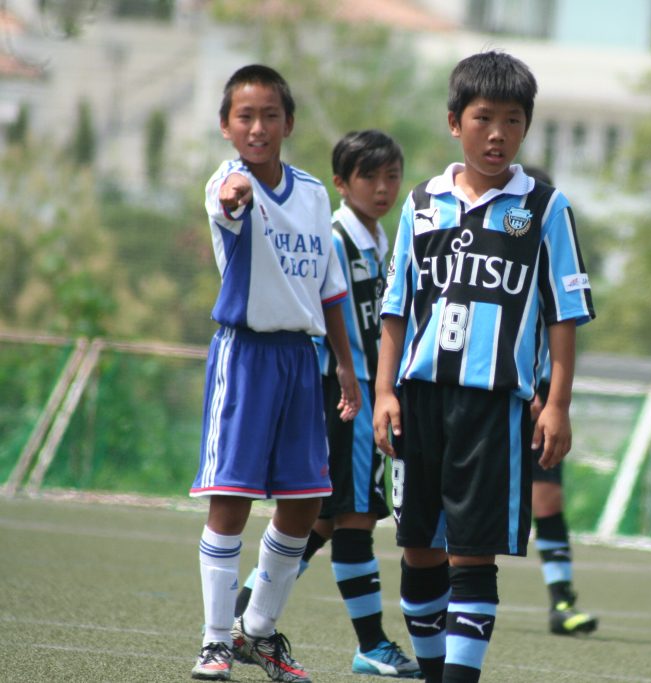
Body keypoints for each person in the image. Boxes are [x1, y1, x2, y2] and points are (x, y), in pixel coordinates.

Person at [373, 51, 596, 683]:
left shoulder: (546, 210)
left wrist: (557, 404)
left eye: (512, 121)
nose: (497, 133)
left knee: (472, 553)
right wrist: (384, 391)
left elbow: (564, 313)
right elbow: (395, 308)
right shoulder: (420, 205)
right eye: (483, 118)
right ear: (454, 122)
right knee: (418, 549)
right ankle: (434, 671)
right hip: (418, 398)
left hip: (494, 403)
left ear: (526, 128)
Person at [189, 64, 362, 683]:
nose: (257, 127)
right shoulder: (226, 183)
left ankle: (255, 632)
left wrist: (345, 364)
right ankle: (213, 641)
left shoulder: (314, 193)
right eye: (245, 116)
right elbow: (229, 200)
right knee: (230, 499)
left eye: (269, 116)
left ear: (288, 122)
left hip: (300, 359)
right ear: (226, 127)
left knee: (305, 501)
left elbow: (331, 289)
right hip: (246, 355)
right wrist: (236, 194)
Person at [233, 129, 419, 678]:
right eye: (370, 176)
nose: (383, 188)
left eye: (392, 176)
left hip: (359, 395)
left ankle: (242, 615)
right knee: (355, 514)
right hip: (347, 396)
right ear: (341, 182)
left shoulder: (381, 239)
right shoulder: (335, 236)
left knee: (323, 518)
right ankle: (371, 643)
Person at [519, 165, 598, 637]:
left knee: (547, 497)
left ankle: (562, 602)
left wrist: (550, 401)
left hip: (541, 396)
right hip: (492, 392)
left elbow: (564, 329)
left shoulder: (553, 253)